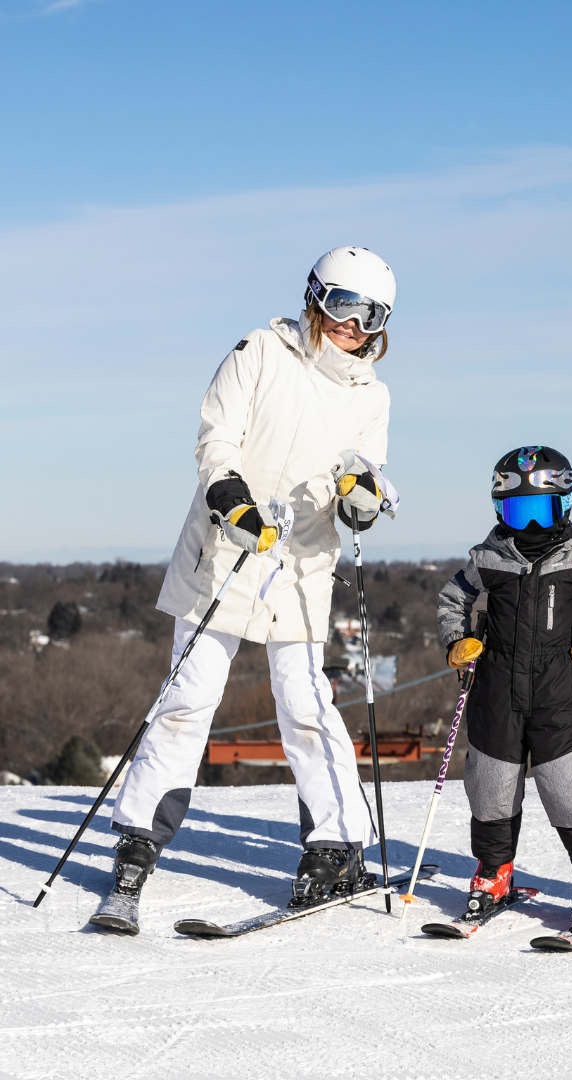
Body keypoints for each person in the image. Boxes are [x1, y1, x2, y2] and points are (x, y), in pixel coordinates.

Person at [106, 247, 399, 913]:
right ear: (315, 298)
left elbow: (364, 472)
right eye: (341, 305)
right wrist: (229, 498)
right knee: (189, 693)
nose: (353, 324)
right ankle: (137, 834)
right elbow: (217, 439)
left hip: (301, 565)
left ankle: (338, 842)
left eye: (370, 313)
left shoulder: (371, 395)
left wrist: (361, 499)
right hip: (226, 547)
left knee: (304, 704)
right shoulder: (259, 351)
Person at [436, 446, 572, 922]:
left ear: (562, 504)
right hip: (496, 689)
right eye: (515, 511)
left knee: (565, 786)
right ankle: (494, 870)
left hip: (555, 691)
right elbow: (452, 598)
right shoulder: (487, 558)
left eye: (536, 511)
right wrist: (457, 641)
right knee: (490, 785)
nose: (526, 526)